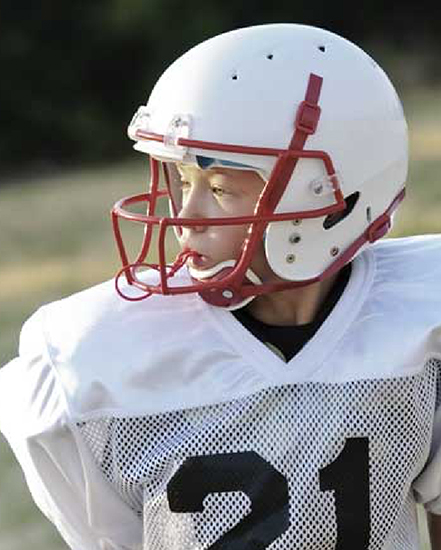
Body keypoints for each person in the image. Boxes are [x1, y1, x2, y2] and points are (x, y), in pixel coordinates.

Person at [1, 22, 441, 550]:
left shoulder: (419, 316)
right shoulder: (87, 356)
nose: (186, 217)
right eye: (185, 181)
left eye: (220, 188)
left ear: (336, 199)